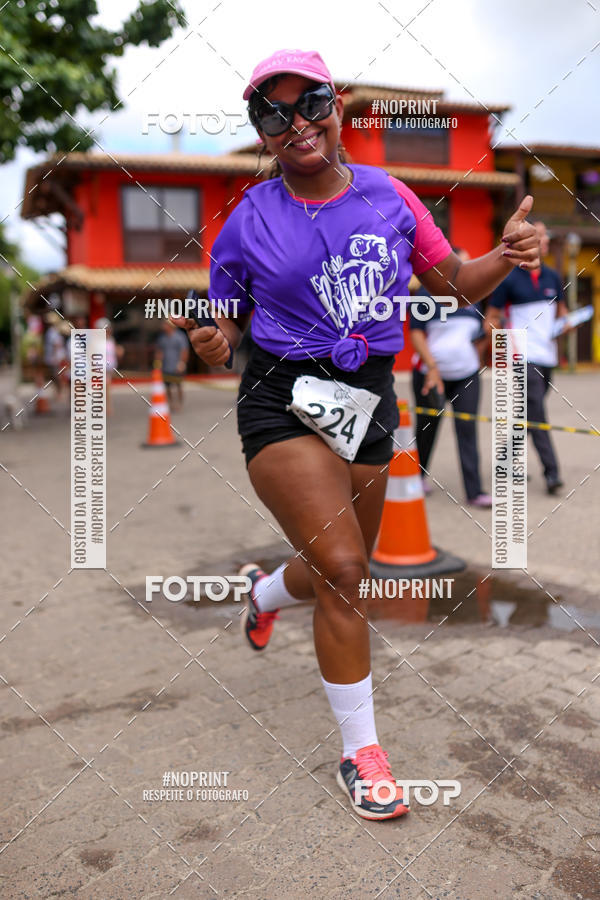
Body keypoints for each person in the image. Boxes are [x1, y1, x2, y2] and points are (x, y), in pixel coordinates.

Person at [174, 49, 540, 821]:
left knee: (344, 567)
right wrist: (209, 343)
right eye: (272, 114)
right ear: (261, 132)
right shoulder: (247, 220)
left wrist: (503, 256)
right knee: (344, 568)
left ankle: (266, 591)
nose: (295, 124)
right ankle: (361, 752)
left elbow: (451, 284)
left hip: (369, 398)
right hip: (281, 399)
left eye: (307, 103)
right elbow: (222, 324)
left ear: (336, 104)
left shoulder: (389, 196)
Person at [487, 222, 568, 495]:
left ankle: (504, 461)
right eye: (540, 237)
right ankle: (552, 473)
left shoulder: (554, 277)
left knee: (531, 413)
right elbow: (492, 317)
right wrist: (503, 347)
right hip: (523, 357)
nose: (543, 242)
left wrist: (567, 323)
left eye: (545, 238)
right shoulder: (508, 278)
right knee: (539, 414)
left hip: (547, 356)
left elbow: (562, 312)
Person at [410, 248, 492, 507]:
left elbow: (477, 335)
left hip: (466, 375)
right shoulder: (426, 294)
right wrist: (432, 367)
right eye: (464, 264)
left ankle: (475, 491)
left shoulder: (473, 299)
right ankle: (417, 478)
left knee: (467, 429)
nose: (469, 270)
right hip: (430, 375)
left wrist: (481, 353)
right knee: (427, 428)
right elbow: (416, 334)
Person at [154, 320, 189, 411]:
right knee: (167, 386)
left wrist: (182, 363)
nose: (163, 326)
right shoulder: (162, 338)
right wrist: (158, 363)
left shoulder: (180, 336)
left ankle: (179, 403)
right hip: (166, 366)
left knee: (178, 385)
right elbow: (159, 351)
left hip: (176, 365)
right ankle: (171, 403)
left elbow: (184, 351)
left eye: (165, 324)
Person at [95, 318, 122, 416]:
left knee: (106, 388)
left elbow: (113, 353)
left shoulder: (111, 340)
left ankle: (106, 407)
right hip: (99, 369)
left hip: (109, 369)